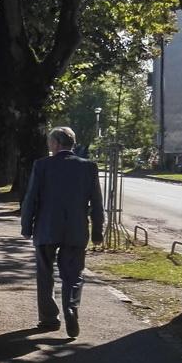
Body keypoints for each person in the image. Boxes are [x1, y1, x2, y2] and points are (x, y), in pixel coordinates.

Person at [20, 127, 104, 338]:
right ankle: (71, 308)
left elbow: (31, 198)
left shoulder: (42, 165)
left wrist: (26, 226)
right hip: (76, 229)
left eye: (50, 142)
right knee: (73, 275)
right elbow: (96, 202)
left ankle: (49, 318)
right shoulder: (89, 167)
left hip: (46, 228)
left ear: (56, 144)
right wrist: (97, 231)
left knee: (45, 274)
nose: (49, 146)